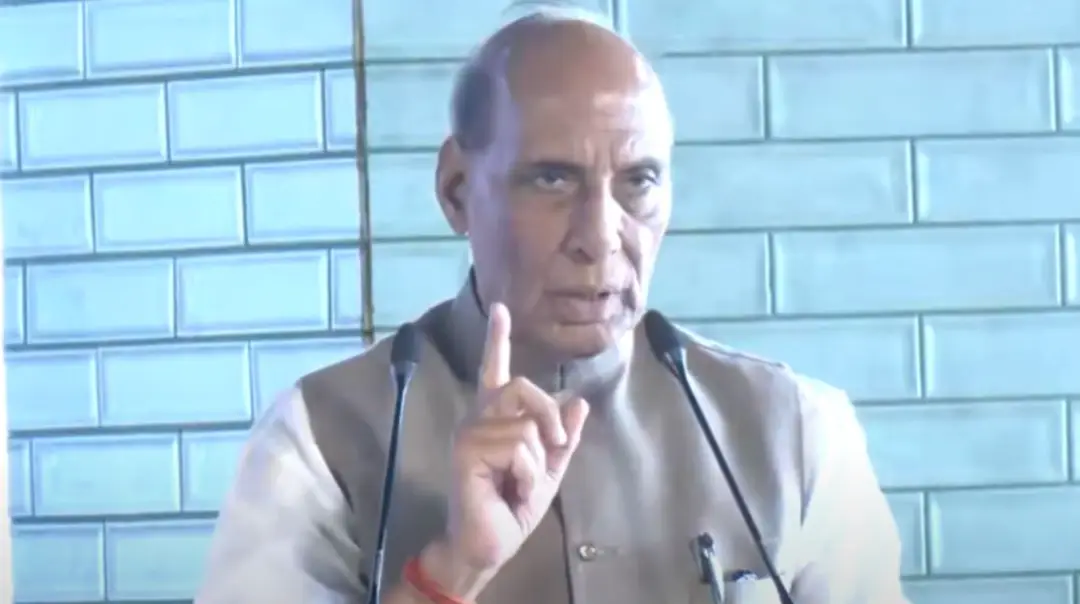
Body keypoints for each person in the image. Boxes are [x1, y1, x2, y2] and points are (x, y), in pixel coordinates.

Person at [195, 7, 909, 604]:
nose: (600, 237)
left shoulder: (797, 431)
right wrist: (452, 570)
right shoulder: (320, 440)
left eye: (639, 182)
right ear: (455, 190)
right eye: (551, 180)